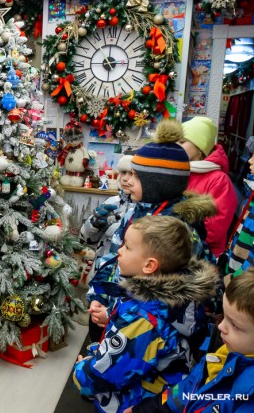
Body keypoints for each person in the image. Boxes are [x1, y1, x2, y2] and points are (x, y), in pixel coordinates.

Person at [86, 119, 216, 340]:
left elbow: (167, 294)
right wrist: (100, 294)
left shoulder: (177, 230)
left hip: (143, 330)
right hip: (116, 313)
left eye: (136, 176)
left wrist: (117, 312)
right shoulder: (135, 211)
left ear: (158, 183)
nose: (128, 180)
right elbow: (114, 256)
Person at [74, 216, 219, 413]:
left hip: (131, 401)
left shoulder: (142, 318)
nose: (119, 250)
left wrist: (82, 369)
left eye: (127, 247)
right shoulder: (171, 298)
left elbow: (106, 375)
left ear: (149, 266)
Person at [125, 268, 254, 413]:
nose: (221, 326)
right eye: (224, 316)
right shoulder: (223, 352)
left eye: (235, 325)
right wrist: (147, 409)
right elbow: (185, 390)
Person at [81, 154, 134, 342]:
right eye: (123, 173)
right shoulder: (111, 202)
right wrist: (95, 222)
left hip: (124, 287)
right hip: (100, 279)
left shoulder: (143, 211)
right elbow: (86, 238)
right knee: (95, 335)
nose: (126, 178)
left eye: (132, 174)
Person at [179, 116, 237, 257]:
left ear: (200, 148)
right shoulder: (178, 171)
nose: (176, 146)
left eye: (182, 141)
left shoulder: (219, 180)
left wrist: (178, 241)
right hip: (172, 251)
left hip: (201, 256)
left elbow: (215, 226)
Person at [225, 136, 254, 276]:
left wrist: (232, 281)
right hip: (235, 270)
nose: (250, 160)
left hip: (242, 286)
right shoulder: (251, 190)